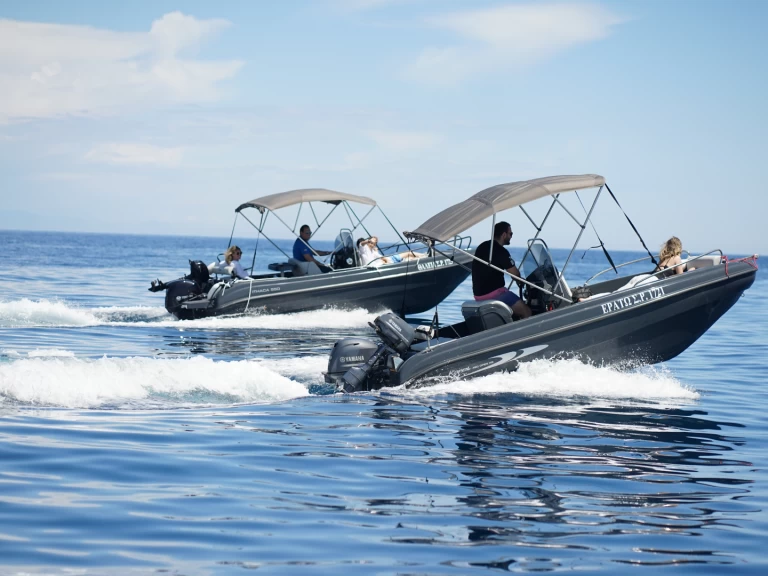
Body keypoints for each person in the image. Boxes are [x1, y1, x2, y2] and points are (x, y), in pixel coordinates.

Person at [472, 221, 532, 319]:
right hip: (494, 294)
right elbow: (515, 274)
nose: (511, 236)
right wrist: (520, 281)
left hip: (478, 296)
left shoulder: (482, 246)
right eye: (510, 234)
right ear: (504, 235)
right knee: (526, 311)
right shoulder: (501, 251)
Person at [356, 237, 425, 267]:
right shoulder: (363, 249)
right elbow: (362, 244)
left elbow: (380, 257)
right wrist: (368, 241)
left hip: (387, 259)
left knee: (409, 254)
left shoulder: (371, 251)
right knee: (408, 255)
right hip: (388, 260)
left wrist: (376, 251)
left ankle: (424, 256)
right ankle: (424, 256)